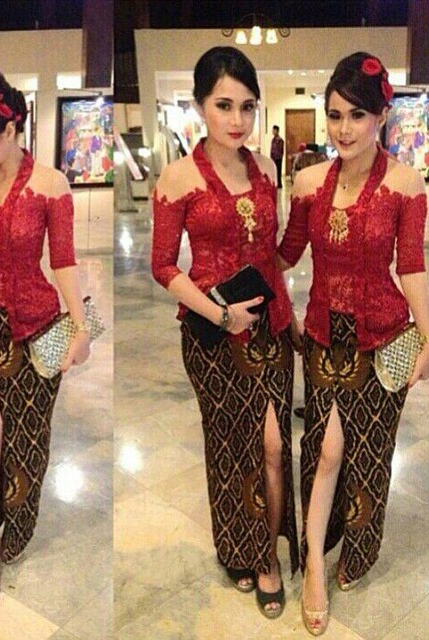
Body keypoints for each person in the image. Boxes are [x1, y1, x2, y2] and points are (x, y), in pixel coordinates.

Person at [278, 52, 429, 636]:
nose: (344, 129)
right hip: (325, 335)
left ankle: (360, 548)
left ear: (382, 116)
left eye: (357, 116)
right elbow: (286, 255)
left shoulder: (404, 183)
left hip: (385, 336)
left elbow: (410, 267)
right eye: (335, 115)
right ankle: (315, 562)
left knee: (371, 452)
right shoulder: (308, 182)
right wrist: (237, 281)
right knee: (324, 450)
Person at [151, 46, 299, 619]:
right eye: (223, 105)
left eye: (247, 106)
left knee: (273, 444)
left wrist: (291, 311)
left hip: (269, 329)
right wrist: (220, 315)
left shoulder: (264, 168)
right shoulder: (178, 177)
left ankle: (270, 554)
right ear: (199, 106)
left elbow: (272, 252)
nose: (237, 119)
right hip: (212, 336)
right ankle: (240, 546)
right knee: (230, 445)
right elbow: (163, 265)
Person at [0, 68, 91, 607]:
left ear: (11, 131)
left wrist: (80, 326)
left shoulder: (49, 185)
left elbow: (64, 262)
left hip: (38, 328)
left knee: (28, 442)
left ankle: (16, 523)